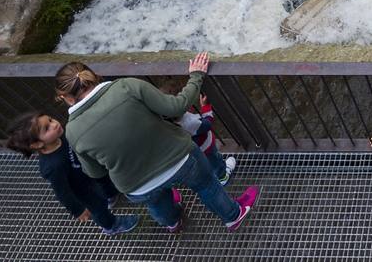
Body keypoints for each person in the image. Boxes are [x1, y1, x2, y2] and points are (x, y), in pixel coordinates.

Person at [57, 52, 259, 233]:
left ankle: (173, 222)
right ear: (92, 75)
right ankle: (232, 216)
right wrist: (196, 76)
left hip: (136, 185)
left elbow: (95, 173)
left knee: (157, 203)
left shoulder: (72, 131)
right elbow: (176, 107)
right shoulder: (127, 86)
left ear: (64, 97)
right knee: (207, 186)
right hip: (179, 158)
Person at [5, 111, 140, 237]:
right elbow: (62, 192)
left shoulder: (62, 136)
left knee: (105, 183)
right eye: (47, 128)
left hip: (89, 174)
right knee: (98, 208)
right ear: (37, 144)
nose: (55, 124)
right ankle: (111, 225)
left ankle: (111, 196)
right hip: (83, 190)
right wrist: (78, 210)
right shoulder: (53, 166)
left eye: (51, 120)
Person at [178, 93, 238, 185]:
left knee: (202, 164)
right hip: (206, 148)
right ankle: (222, 177)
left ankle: (209, 175)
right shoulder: (187, 122)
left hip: (191, 151)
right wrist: (206, 107)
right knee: (216, 162)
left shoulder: (167, 123)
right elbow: (206, 124)